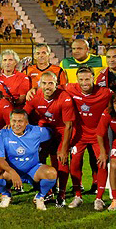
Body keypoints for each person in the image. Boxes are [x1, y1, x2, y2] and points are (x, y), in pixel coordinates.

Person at [0, 109, 58, 211]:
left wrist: (47, 151)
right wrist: (12, 172)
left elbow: (53, 132)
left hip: (33, 169)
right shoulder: (3, 133)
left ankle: (40, 197)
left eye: (20, 121)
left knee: (51, 173)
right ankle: (6, 195)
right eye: (14, 121)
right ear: (10, 121)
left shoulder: (36, 131)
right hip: (12, 170)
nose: (17, 124)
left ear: (27, 123)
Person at [24, 71, 75, 207]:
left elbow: (68, 125)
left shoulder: (64, 97)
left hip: (62, 130)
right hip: (45, 130)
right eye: (44, 83)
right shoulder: (35, 95)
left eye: (51, 83)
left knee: (62, 160)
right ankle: (48, 191)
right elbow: (24, 115)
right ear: (40, 84)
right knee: (37, 158)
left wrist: (64, 149)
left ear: (56, 84)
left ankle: (61, 194)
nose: (47, 87)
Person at [64, 66, 111, 209]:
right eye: (81, 79)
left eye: (87, 79)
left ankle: (99, 198)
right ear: (77, 80)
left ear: (93, 78)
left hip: (99, 135)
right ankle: (78, 195)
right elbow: (53, 87)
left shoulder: (106, 93)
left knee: (102, 163)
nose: (84, 83)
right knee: (75, 163)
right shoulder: (70, 88)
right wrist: (34, 90)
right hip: (79, 135)